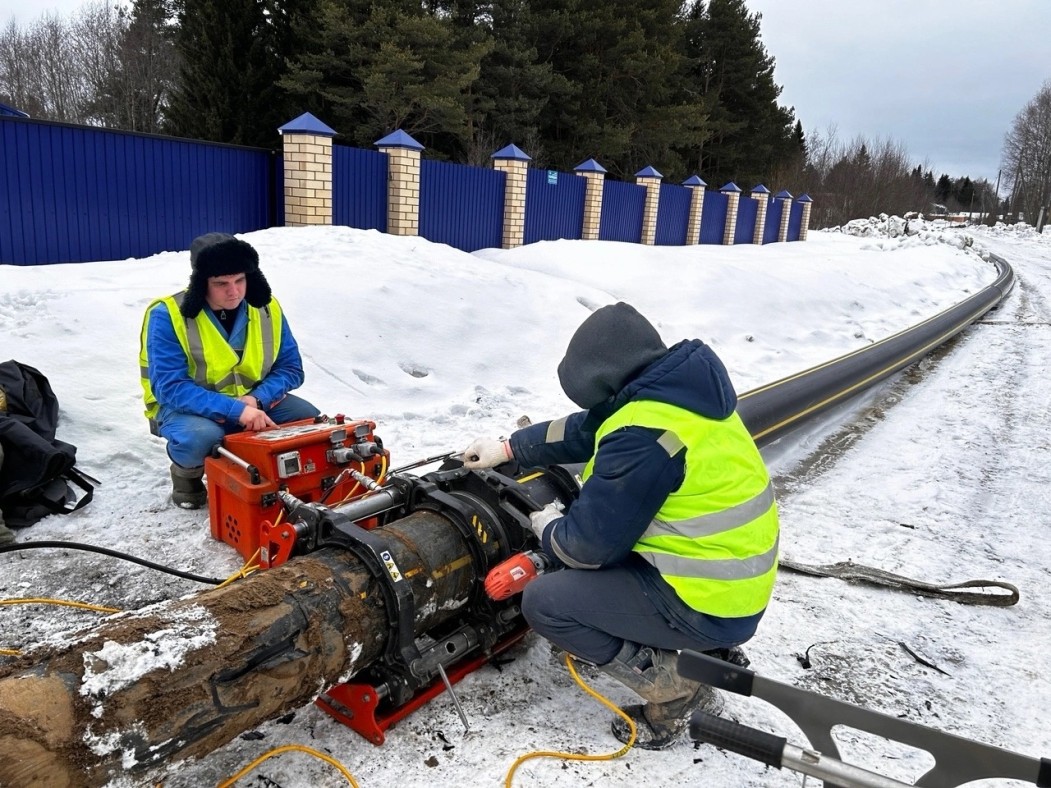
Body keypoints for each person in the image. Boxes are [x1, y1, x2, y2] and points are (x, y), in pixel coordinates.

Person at [463, 302, 779, 750]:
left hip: (706, 603)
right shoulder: (678, 396)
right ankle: (702, 651)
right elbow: (588, 428)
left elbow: (585, 549)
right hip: (730, 587)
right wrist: (510, 448)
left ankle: (673, 688)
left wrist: (548, 525)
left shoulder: (645, 438)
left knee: (547, 601)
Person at [139, 232, 319, 509]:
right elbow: (170, 388)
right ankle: (186, 474)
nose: (233, 291)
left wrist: (256, 399)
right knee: (201, 438)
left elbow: (291, 368)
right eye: (221, 283)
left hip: (255, 401)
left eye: (240, 280)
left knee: (307, 420)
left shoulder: (267, 307)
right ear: (201, 282)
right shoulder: (167, 314)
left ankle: (273, 477)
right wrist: (236, 411)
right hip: (185, 409)